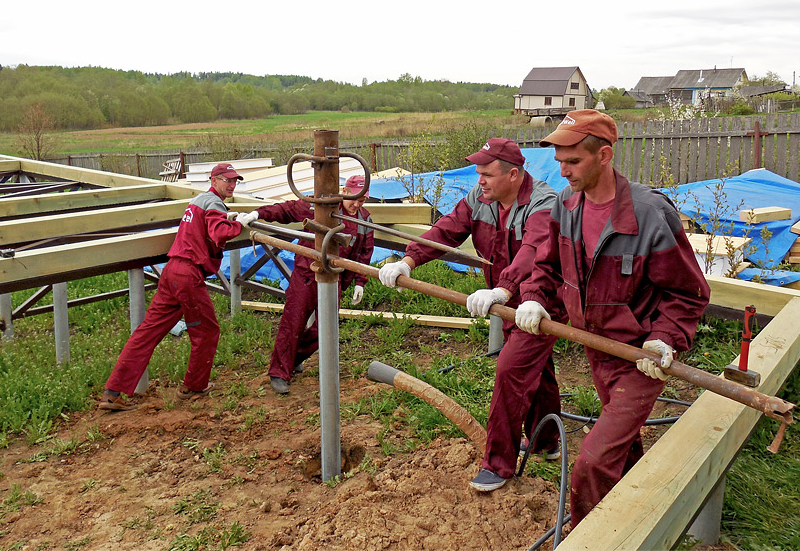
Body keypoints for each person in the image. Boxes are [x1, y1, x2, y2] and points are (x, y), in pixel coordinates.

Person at [512, 109, 710, 527]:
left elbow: (688, 292)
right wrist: (533, 298)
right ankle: (638, 508)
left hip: (640, 356)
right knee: (620, 444)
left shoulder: (648, 214)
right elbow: (547, 267)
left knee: (592, 461)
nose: (563, 171)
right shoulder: (566, 207)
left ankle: (592, 534)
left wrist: (664, 340)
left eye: (573, 161)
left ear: (604, 155)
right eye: (559, 161)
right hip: (596, 345)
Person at [377, 138, 566, 492]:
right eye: (478, 172)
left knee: (512, 369)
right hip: (508, 298)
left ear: (513, 174)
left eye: (487, 173)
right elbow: (446, 229)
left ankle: (498, 464)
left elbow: (533, 251)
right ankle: (546, 442)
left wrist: (503, 288)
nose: (479, 179)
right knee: (535, 367)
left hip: (541, 300)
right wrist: (409, 259)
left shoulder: (543, 202)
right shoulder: (481, 201)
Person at [98, 163, 245, 410]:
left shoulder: (197, 202)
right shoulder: (214, 203)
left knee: (148, 332)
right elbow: (220, 233)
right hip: (189, 275)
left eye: (234, 181)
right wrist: (242, 223)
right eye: (226, 180)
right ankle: (194, 387)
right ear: (213, 180)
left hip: (172, 271)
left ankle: (112, 393)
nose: (231, 185)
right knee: (207, 331)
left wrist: (229, 217)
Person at [234, 175, 374, 394]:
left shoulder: (364, 220)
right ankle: (279, 372)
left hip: (334, 276)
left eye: (362, 200)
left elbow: (365, 253)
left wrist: (360, 282)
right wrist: (258, 213)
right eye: (353, 198)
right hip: (307, 272)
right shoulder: (320, 207)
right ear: (344, 191)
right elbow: (288, 209)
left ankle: (295, 355)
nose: (356, 204)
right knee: (294, 321)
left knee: (326, 328)